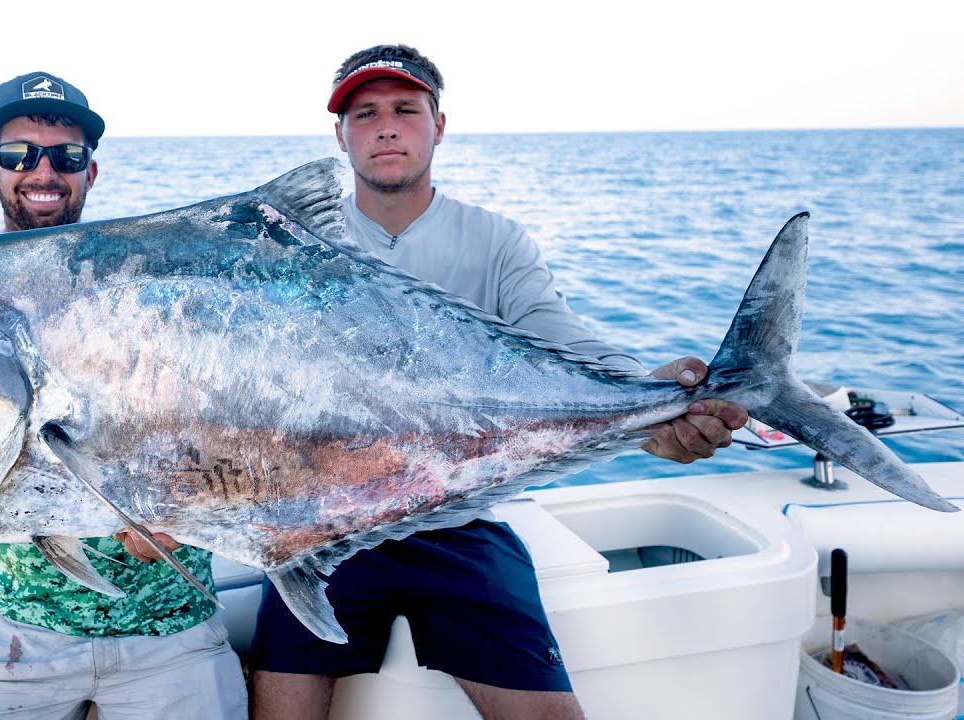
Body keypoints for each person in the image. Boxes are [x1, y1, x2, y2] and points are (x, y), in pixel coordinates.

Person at [246, 45, 750, 720]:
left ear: (439, 125)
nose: (386, 127)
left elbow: (558, 336)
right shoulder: (292, 247)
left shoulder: (495, 241)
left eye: (406, 109)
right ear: (340, 135)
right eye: (364, 114)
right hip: (326, 528)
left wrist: (650, 392)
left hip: (460, 522)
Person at [0, 71, 247, 720]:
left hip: (172, 628)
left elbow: (228, 432)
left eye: (67, 155)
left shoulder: (151, 294)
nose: (43, 170)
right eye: (21, 152)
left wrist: (187, 515)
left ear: (91, 173)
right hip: (22, 638)